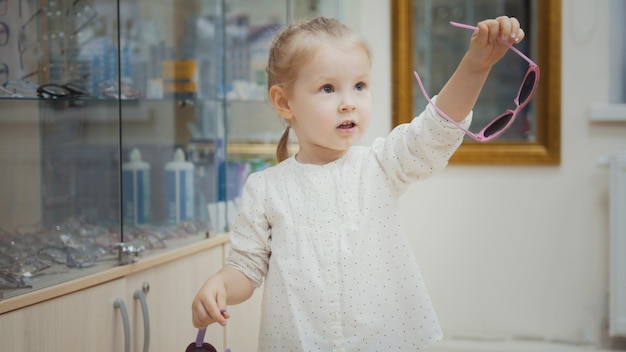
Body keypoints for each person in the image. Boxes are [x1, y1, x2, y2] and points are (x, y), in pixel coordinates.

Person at [192, 15, 525, 351]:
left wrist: (476, 66)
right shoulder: (265, 189)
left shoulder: (381, 164)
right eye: (327, 88)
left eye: (360, 86)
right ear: (284, 101)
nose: (349, 101)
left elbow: (435, 131)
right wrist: (220, 283)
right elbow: (246, 269)